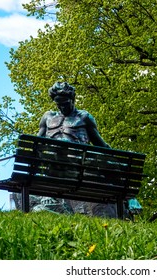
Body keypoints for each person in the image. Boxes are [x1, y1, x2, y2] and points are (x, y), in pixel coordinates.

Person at [32, 81, 116, 217]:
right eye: (58, 103)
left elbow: (100, 145)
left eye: (65, 103)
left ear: (73, 99)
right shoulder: (48, 117)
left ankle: (128, 198)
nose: (62, 107)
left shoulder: (83, 117)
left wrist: (114, 159)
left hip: (78, 167)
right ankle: (46, 197)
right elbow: (35, 144)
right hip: (54, 168)